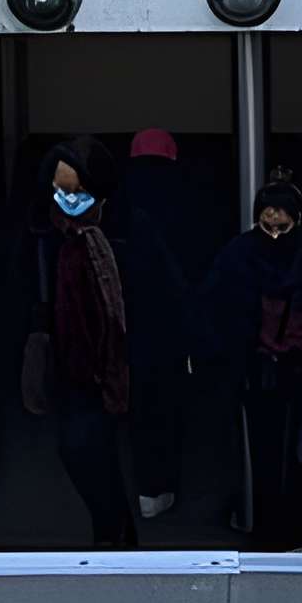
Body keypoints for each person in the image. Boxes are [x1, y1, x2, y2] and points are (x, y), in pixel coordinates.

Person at [208, 179, 302, 550]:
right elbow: (217, 306)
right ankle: (272, 535)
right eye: (266, 225)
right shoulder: (240, 255)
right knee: (266, 452)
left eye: (281, 227)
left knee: (300, 453)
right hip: (261, 367)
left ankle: (291, 534)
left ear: (297, 221)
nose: (272, 234)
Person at [32, 143, 133, 547]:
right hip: (72, 371)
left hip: (96, 373)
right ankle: (114, 535)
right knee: (88, 456)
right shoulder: (54, 235)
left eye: (77, 191)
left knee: (88, 454)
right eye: (60, 190)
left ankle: (114, 537)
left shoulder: (103, 239)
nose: (68, 200)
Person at [106, 129, 205, 525]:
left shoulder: (117, 200)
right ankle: (162, 486)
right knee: (168, 405)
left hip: (126, 319)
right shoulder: (185, 197)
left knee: (137, 406)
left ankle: (145, 488)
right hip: (169, 323)